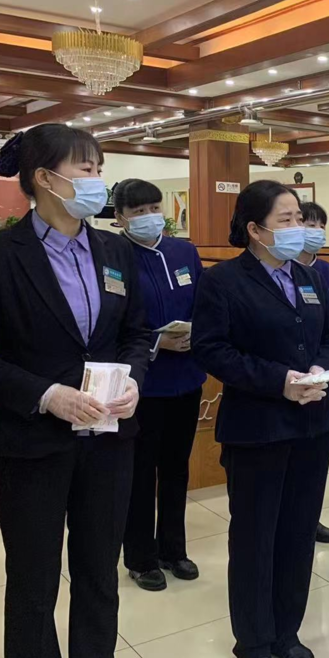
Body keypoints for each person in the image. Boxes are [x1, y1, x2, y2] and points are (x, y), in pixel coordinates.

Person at [0, 125, 148, 658]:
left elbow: (136, 333)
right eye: (86, 169)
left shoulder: (116, 252)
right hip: (33, 446)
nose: (97, 180)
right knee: (33, 584)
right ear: (44, 178)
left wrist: (133, 379)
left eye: (99, 168)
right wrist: (45, 395)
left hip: (107, 443)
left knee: (98, 576)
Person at [191, 181, 329, 658]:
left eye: (300, 217)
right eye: (287, 219)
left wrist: (320, 372)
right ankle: (254, 642)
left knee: (298, 534)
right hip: (257, 427)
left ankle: (287, 632)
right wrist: (280, 381)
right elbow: (213, 350)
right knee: (255, 537)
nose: (299, 227)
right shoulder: (223, 281)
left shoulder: (310, 276)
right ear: (256, 230)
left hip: (312, 424)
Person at [113, 179, 206, 592]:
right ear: (120, 218)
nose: (150, 217)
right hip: (141, 385)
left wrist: (196, 332)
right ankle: (140, 557)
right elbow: (111, 322)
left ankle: (173, 549)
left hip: (186, 378)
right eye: (138, 212)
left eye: (154, 208)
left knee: (176, 468)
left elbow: (205, 302)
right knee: (139, 473)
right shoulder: (114, 255)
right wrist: (156, 341)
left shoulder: (183, 252)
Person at [297, 199, 329, 546]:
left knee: (315, 458)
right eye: (308, 224)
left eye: (320, 226)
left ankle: (310, 518)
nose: (316, 232)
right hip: (286, 377)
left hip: (320, 373)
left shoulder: (327, 272)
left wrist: (324, 364)